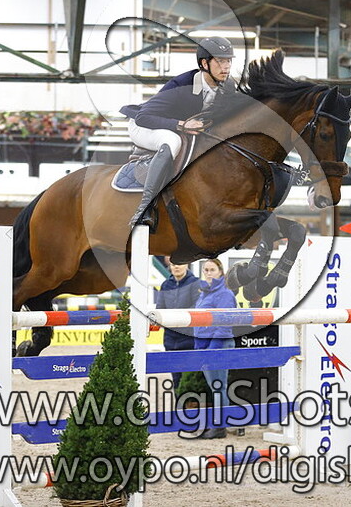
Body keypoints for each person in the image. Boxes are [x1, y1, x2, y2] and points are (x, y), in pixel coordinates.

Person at [120, 37, 236, 227]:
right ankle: (145, 208)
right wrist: (182, 125)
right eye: (220, 61)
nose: (226, 67)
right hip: (145, 125)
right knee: (173, 142)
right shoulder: (181, 85)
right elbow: (143, 117)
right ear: (204, 63)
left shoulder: (228, 86)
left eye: (229, 61)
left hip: (180, 128)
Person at [191, 258, 236, 440]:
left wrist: (211, 348)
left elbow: (224, 324)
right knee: (215, 386)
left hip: (218, 345)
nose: (208, 273)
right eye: (206, 270)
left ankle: (220, 426)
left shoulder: (224, 294)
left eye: (212, 270)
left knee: (218, 386)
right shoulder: (205, 292)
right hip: (206, 345)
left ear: (220, 272)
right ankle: (219, 423)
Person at [155, 258, 200, 392]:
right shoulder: (165, 285)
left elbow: (196, 308)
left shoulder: (195, 283)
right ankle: (178, 404)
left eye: (180, 263)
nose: (176, 267)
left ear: (187, 264)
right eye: (174, 264)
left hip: (189, 338)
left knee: (189, 378)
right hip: (170, 338)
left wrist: (176, 319)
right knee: (175, 379)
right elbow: (160, 309)